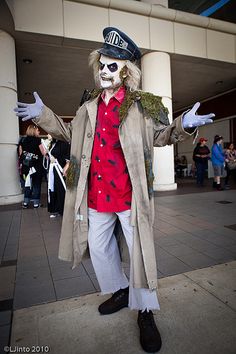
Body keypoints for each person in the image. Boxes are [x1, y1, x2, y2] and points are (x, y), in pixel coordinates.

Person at [14, 27, 214, 353]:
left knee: (138, 253)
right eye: (102, 65)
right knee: (99, 247)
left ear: (126, 71)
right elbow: (67, 133)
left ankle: (145, 311)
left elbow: (161, 135)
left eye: (112, 66)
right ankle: (121, 290)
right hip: (96, 195)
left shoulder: (141, 104)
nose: (105, 72)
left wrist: (183, 124)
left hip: (128, 195)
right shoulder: (88, 104)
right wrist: (44, 116)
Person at [20, 124, 46, 208]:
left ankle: (25, 203)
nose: (39, 132)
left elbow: (21, 154)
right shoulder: (38, 140)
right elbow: (43, 153)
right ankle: (36, 203)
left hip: (26, 166)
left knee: (27, 184)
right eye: (38, 130)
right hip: (36, 166)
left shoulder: (23, 140)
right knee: (36, 184)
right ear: (34, 131)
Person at [45, 137, 70, 218]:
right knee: (54, 188)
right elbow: (45, 153)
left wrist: (66, 165)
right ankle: (56, 209)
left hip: (60, 168)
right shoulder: (53, 143)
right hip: (54, 169)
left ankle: (63, 210)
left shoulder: (63, 142)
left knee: (61, 188)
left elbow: (67, 156)